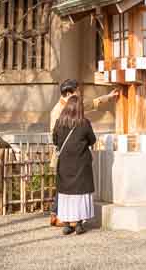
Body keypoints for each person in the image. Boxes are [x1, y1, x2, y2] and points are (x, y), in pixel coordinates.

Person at [53, 95, 96, 235]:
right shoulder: (84, 123)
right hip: (81, 163)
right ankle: (78, 224)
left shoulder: (59, 123)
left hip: (65, 163)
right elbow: (92, 140)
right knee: (80, 193)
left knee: (66, 193)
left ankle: (66, 224)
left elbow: (55, 140)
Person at [49, 78, 119, 133]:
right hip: (65, 149)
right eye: (77, 91)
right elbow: (54, 135)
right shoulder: (56, 111)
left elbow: (92, 104)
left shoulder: (75, 105)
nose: (79, 94)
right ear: (68, 94)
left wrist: (108, 97)